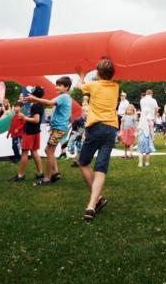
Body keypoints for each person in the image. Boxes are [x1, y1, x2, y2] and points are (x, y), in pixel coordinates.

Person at [75, 58, 119, 221]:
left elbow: (80, 86)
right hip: (111, 129)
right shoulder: (115, 87)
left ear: (98, 74)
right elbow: (108, 75)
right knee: (100, 169)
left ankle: (97, 200)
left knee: (83, 162)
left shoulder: (93, 85)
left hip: (95, 127)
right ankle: (92, 205)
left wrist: (81, 75)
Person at [25, 76, 73, 185]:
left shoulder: (63, 97)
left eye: (60, 85)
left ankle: (47, 178)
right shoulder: (65, 98)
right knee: (48, 150)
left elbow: (50, 103)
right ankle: (55, 172)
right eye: (57, 85)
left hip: (59, 129)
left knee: (50, 152)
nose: (57, 87)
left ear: (67, 87)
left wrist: (35, 99)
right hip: (59, 128)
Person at [12, 86, 44, 182]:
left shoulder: (35, 106)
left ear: (33, 95)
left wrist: (24, 118)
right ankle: (40, 173)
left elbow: (36, 120)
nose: (28, 95)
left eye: (30, 94)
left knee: (24, 153)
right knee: (34, 152)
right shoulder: (38, 104)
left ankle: (20, 175)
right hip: (35, 132)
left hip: (30, 132)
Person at [136, 100, 155, 168]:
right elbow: (151, 129)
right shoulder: (149, 121)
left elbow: (138, 129)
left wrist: (136, 135)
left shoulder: (141, 121)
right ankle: (147, 163)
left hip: (141, 137)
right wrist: (153, 136)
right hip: (147, 137)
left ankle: (140, 163)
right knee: (147, 151)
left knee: (140, 151)